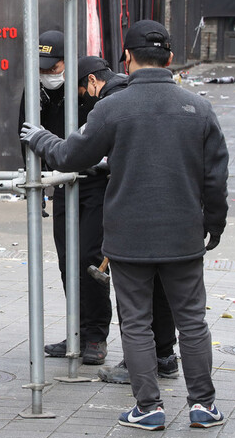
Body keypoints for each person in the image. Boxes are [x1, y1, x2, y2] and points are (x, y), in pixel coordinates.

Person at [21, 20, 229, 431]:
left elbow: (70, 157)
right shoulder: (199, 108)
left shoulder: (112, 108)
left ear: (128, 60)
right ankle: (203, 405)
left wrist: (39, 137)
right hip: (183, 234)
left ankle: (148, 407)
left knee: (135, 322)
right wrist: (214, 224)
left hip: (128, 237)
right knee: (191, 320)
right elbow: (216, 178)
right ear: (170, 59)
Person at [74, 56, 180, 385]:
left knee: (133, 294)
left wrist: (43, 141)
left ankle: (140, 365)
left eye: (84, 90)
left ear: (93, 82)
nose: (86, 96)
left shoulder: (114, 103)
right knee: (160, 289)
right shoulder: (165, 100)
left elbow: (80, 153)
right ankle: (164, 355)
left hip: (133, 211)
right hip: (168, 209)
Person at [18, 33, 111, 366]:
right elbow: (26, 133)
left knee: (89, 258)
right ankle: (78, 332)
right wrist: (37, 181)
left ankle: (96, 335)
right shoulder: (37, 90)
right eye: (43, 67)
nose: (48, 73)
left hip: (95, 184)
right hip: (59, 180)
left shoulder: (90, 91)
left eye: (54, 66)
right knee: (66, 261)